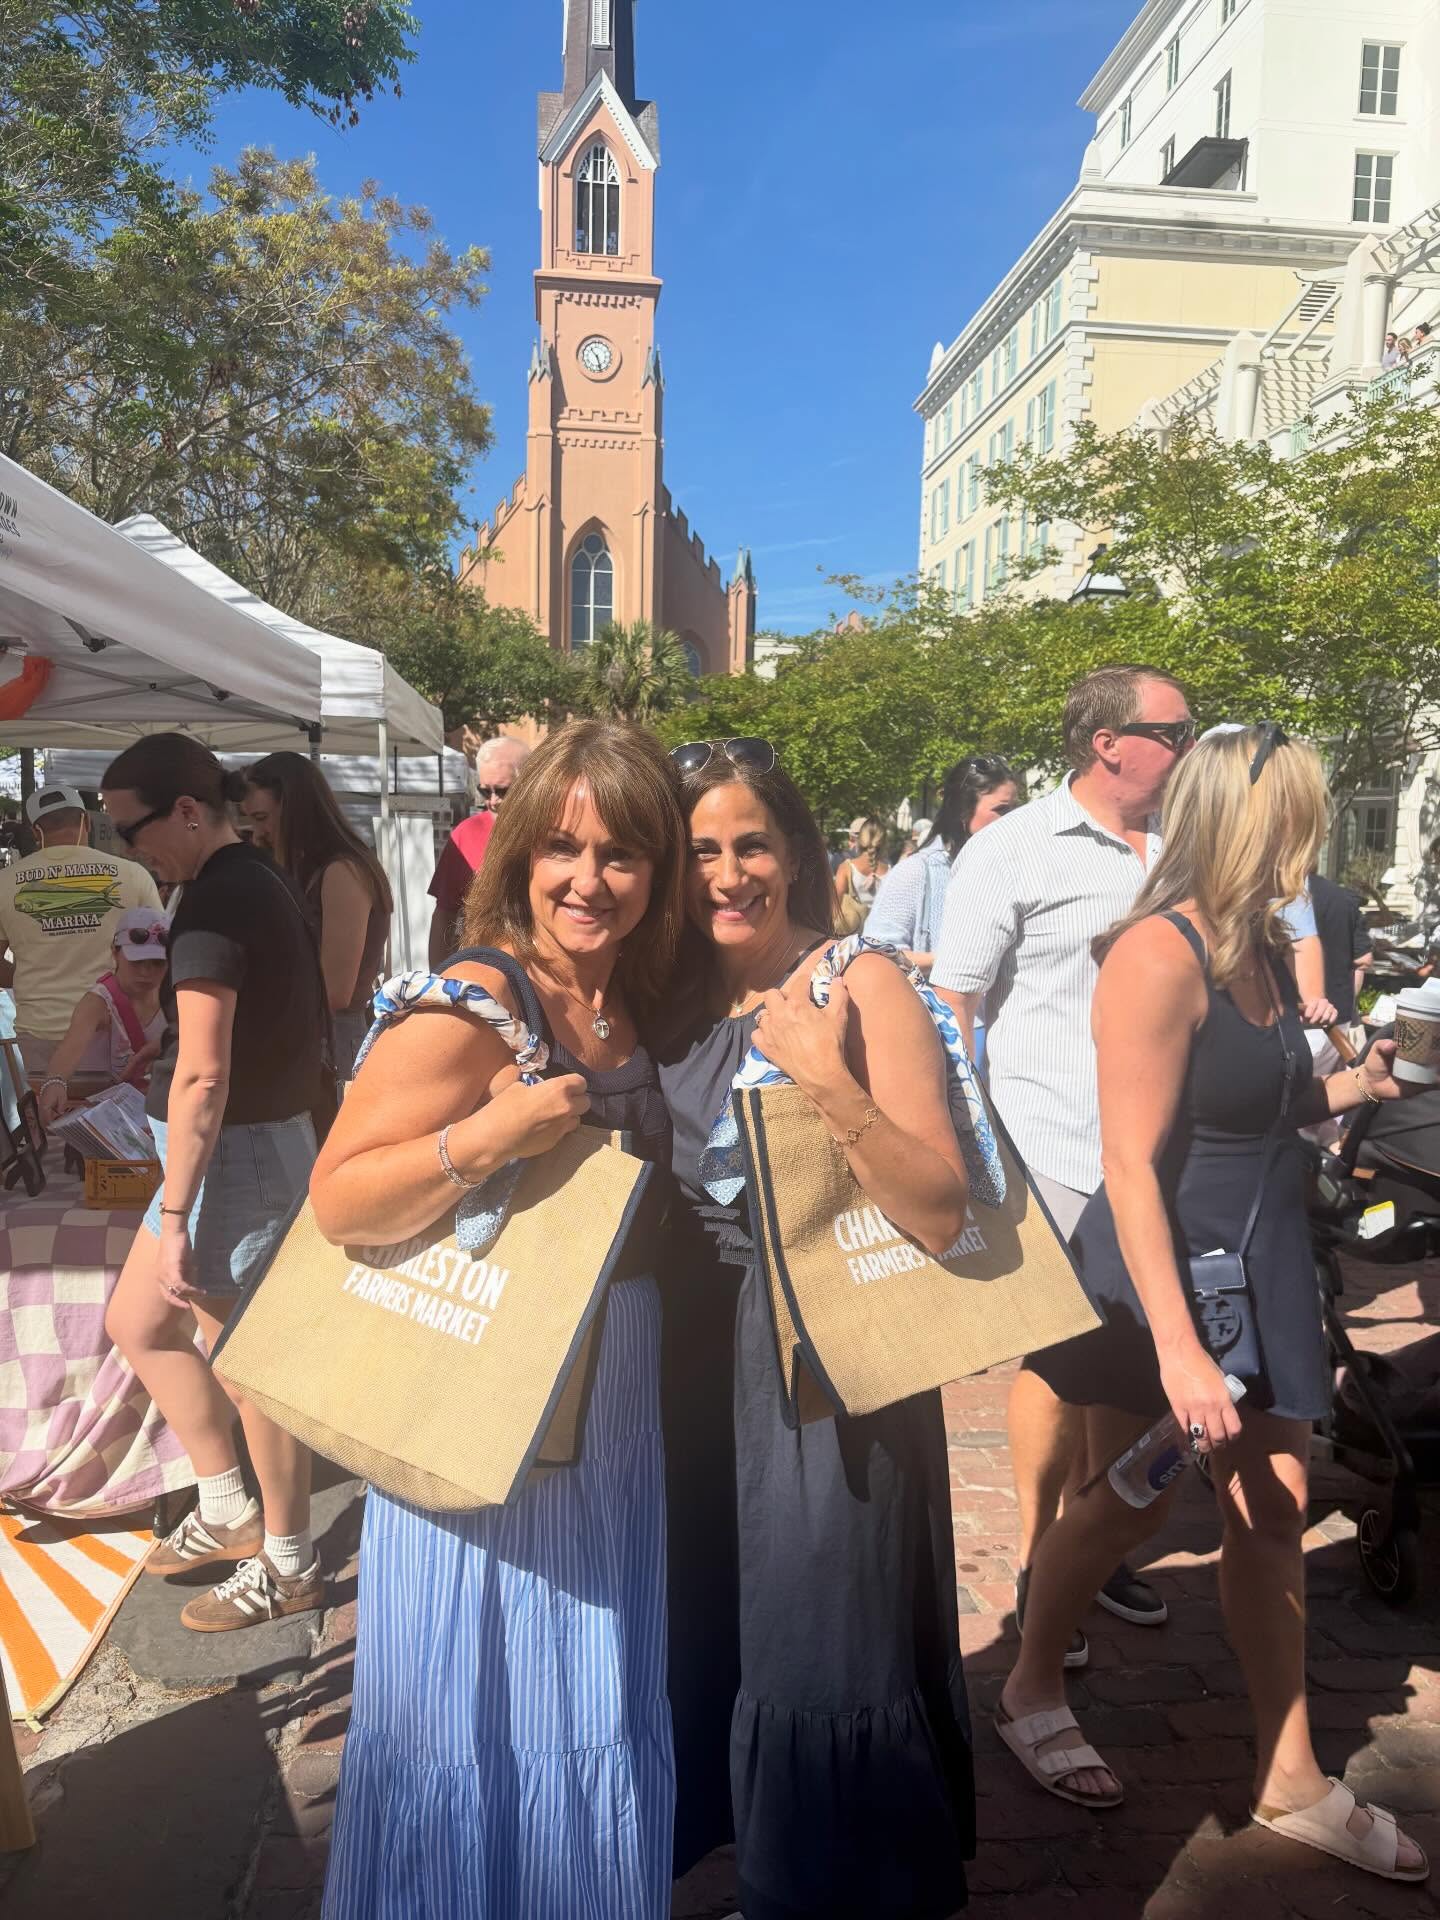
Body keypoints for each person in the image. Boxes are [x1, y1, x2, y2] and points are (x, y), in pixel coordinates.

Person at [1005, 727, 1428, 1887]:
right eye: (1299, 811)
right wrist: (1184, 1351)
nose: (1315, 833)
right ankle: (1032, 1681)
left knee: (1275, 1506)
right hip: (1165, 1274)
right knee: (1133, 1503)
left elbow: (1272, 1102)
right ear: (1248, 819)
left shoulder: (1258, 948)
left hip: (1264, 1262)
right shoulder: (1159, 950)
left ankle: (1289, 1773)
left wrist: (1367, 1078)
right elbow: (1132, 1163)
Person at [314, 719, 685, 1920]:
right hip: (481, 1380)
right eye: (564, 850)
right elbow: (340, 1200)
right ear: (518, 854)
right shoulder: (477, 998)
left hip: (608, 1392)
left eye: (623, 854)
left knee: (586, 1683)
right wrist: (485, 1138)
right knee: (470, 1688)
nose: (590, 879)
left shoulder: (627, 997)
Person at [658, 737, 976, 1920]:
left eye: (751, 844)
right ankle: (763, 1865)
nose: (730, 874)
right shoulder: (674, 993)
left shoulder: (859, 981)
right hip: (688, 1362)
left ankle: (832, 1891)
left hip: (823, 1367)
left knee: (824, 1644)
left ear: (793, 850)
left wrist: (826, 1081)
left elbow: (940, 1207)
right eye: (699, 852)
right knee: (721, 1633)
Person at [932, 666, 1194, 1662]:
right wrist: (968, 1145)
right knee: (1064, 1356)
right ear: (1110, 742)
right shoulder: (1012, 848)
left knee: (1121, 1373)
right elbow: (956, 1001)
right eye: (1176, 732)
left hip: (1170, 1153)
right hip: (1056, 1149)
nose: (1189, 748)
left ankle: (1091, 1546)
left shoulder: (1184, 846)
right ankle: (1045, 1556)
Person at [101, 735, 328, 1634]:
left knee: (250, 1371)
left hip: (230, 1158)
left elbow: (204, 1075)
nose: (128, 849)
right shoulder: (246, 879)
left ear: (187, 811)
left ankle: (290, 1560)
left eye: (131, 829)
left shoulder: (218, 901)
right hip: (222, 1154)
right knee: (138, 1321)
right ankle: (230, 1503)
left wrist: (177, 1209)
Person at [239, 753, 394, 1076]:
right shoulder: (312, 869)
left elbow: (335, 990)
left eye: (262, 817)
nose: (257, 833)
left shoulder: (342, 870)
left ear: (294, 808)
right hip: (310, 1038)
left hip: (332, 1045)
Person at [0, 784, 161, 1075]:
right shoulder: (133, 875)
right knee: (117, 1116)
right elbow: (161, 951)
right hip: (115, 1025)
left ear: (36, 832)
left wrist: (30, 977)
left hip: (40, 1028)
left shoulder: (4, 883)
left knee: (51, 1112)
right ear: (86, 821)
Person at [868, 756, 1019, 976]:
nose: (1014, 819)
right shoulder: (915, 872)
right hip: (935, 1008)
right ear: (963, 810)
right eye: (1002, 809)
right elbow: (876, 954)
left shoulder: (1012, 870)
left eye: (1016, 809)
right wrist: (951, 960)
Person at [36, 907, 169, 1123]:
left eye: (157, 963)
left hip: (161, 1112)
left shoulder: (177, 998)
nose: (146, 972)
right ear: (115, 953)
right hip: (109, 1117)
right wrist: (55, 1083)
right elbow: (71, 1047)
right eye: (137, 962)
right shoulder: (99, 1002)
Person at [427, 735, 531, 967]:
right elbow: (444, 915)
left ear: (529, 783)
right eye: (485, 792)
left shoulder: (553, 833)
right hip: (484, 977)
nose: (492, 801)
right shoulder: (466, 834)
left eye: (503, 791)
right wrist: (438, 980)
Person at [833, 817, 889, 930]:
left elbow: (834, 907)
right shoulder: (891, 871)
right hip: (881, 938)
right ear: (883, 842)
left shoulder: (847, 868)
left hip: (852, 939)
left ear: (860, 840)